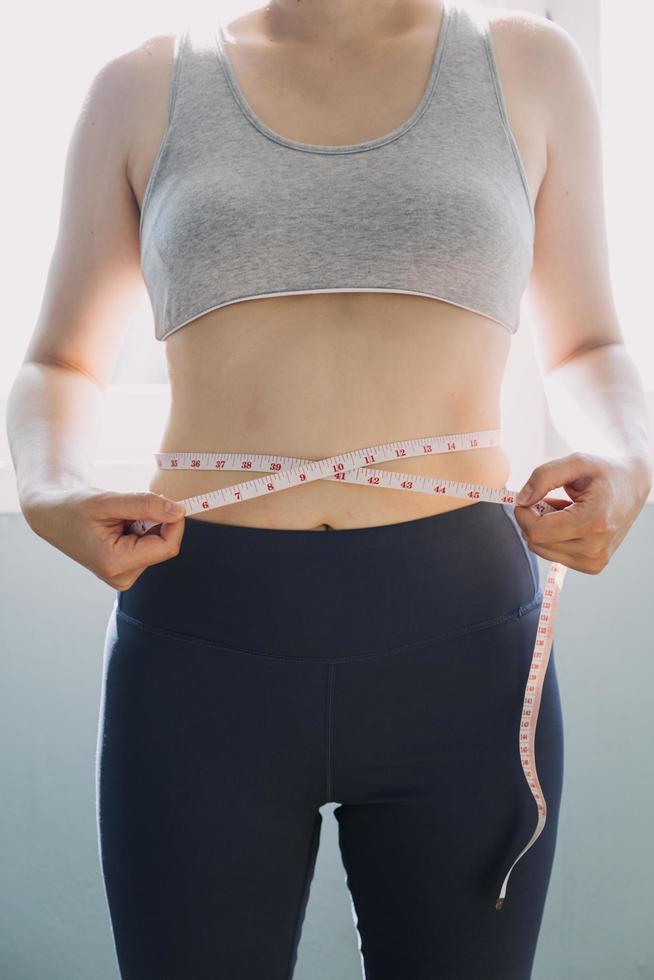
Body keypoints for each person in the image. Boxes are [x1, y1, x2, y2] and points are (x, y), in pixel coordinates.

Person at [6, 0, 652, 977]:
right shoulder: (143, 82)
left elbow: (591, 341)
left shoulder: (527, 62)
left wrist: (629, 459)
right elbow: (58, 359)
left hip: (466, 646)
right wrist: (49, 486)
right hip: (202, 642)